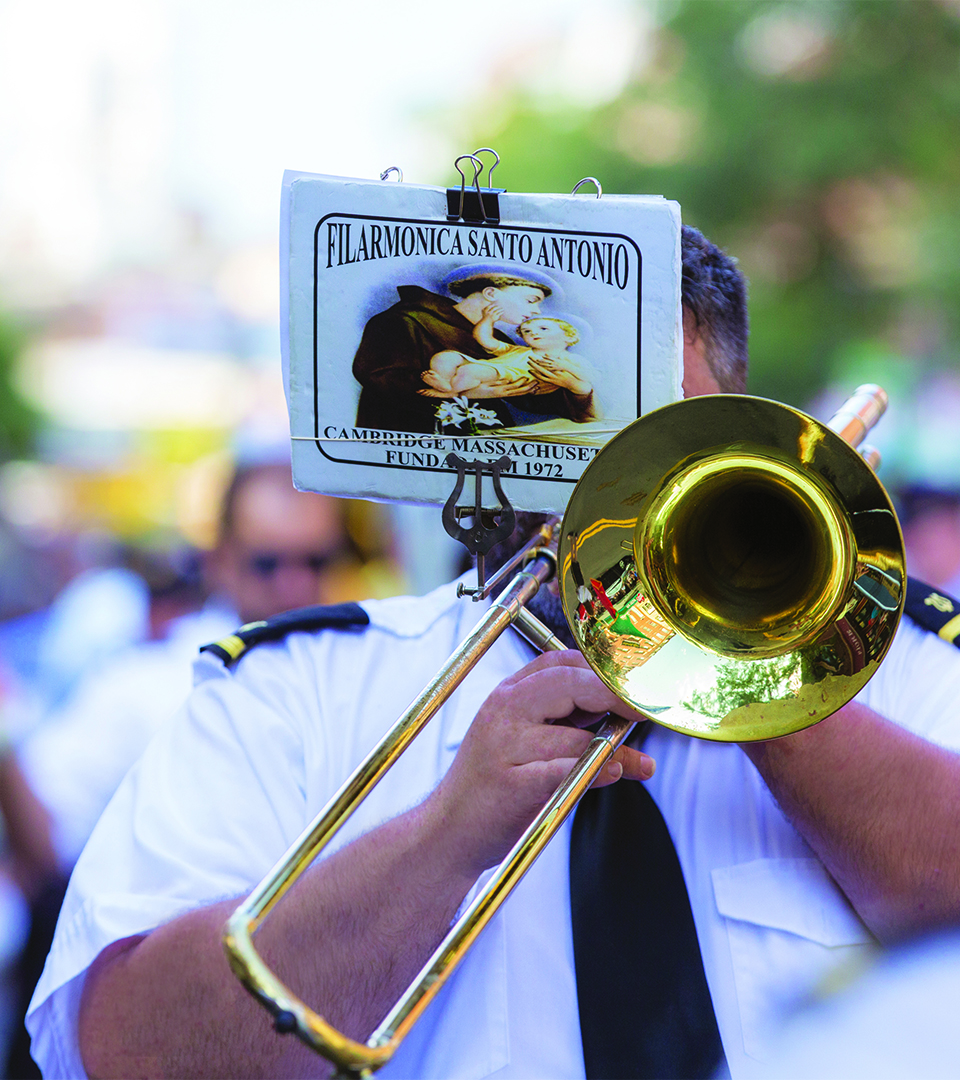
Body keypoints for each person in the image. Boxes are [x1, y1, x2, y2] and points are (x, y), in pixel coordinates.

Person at [27, 226, 960, 1079]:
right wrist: (448, 831)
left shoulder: (900, 662)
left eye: (662, 432)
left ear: (737, 430)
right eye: (563, 420)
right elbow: (125, 1053)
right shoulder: (294, 688)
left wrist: (758, 674)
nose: (611, 476)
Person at [8, 462, 352, 1078]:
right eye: (268, 563)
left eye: (317, 562)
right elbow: (44, 840)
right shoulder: (142, 687)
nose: (296, 585)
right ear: (219, 559)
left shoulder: (353, 687)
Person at [352, 268, 596, 434]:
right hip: (414, 446)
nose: (537, 312)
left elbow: (527, 393)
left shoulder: (497, 340)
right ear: (490, 293)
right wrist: (470, 392)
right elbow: (378, 378)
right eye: (531, 300)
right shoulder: (405, 320)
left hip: (481, 449)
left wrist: (577, 390)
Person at [421, 310, 596, 421]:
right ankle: (447, 383)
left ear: (569, 337)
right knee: (445, 357)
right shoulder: (516, 350)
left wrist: (567, 367)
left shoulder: (567, 358)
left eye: (543, 329)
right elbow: (486, 341)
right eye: (527, 331)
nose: (533, 332)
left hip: (509, 376)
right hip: (488, 369)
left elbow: (591, 377)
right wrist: (487, 320)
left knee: (469, 371)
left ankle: (451, 391)